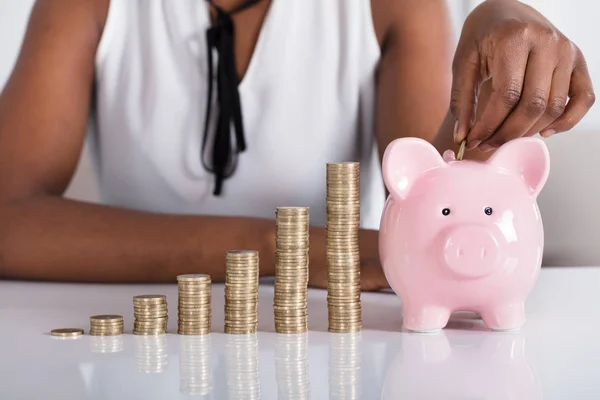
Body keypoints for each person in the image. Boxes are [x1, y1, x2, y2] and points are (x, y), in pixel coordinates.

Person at [0, 0, 594, 291]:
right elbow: (8, 217)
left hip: (325, 342)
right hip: (154, 334)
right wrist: (277, 248)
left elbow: (435, 206)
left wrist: (498, 16)